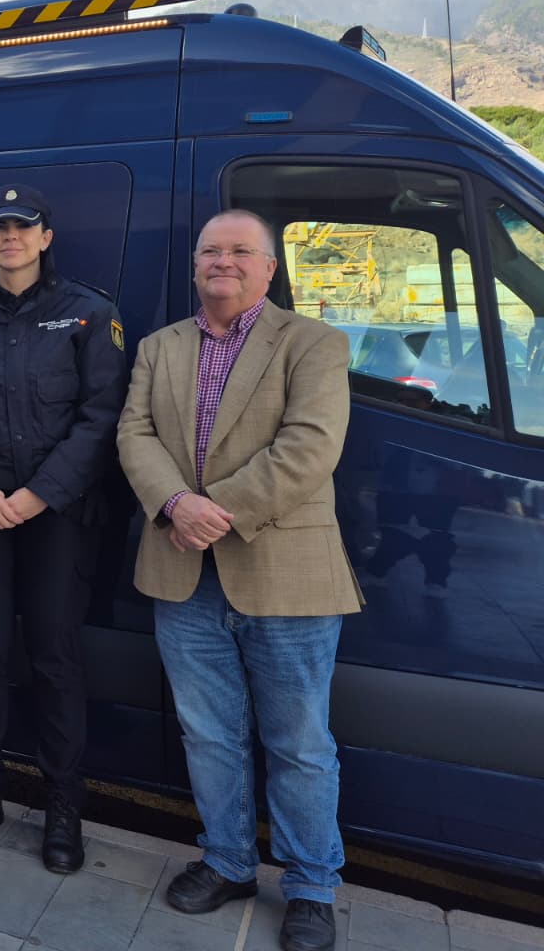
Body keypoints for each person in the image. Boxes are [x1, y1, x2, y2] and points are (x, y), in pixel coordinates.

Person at [117, 209, 358, 951]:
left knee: (299, 744)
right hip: (184, 574)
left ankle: (311, 887)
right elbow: (134, 433)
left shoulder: (313, 342)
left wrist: (210, 511)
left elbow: (310, 446)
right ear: (195, 265)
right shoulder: (159, 346)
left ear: (269, 267)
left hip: (283, 573)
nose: (224, 261)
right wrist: (173, 503)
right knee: (209, 734)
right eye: (211, 251)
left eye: (241, 251)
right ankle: (226, 861)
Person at [0, 184, 126, 871]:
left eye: (23, 227)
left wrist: (38, 495)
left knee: (54, 655)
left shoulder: (89, 314)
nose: (11, 238)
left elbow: (102, 417)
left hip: (56, 517)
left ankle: (63, 803)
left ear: (45, 237)